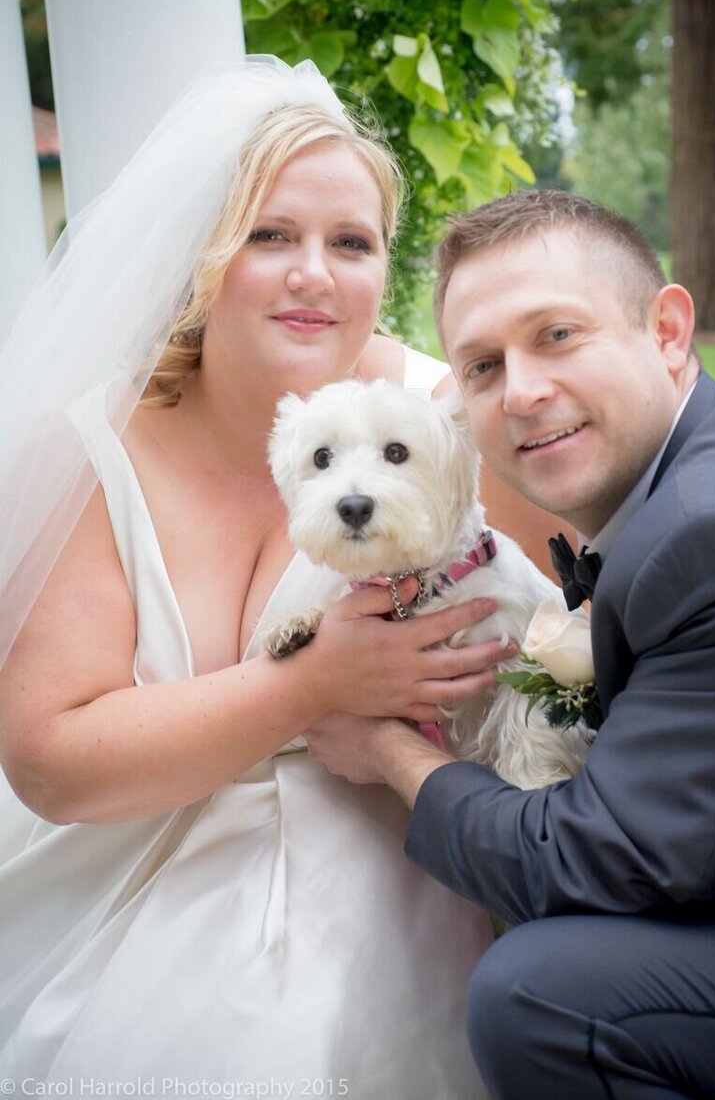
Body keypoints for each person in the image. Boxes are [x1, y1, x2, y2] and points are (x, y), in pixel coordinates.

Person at [0, 56, 536, 1095]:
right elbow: (52, 760)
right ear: (204, 254)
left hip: (386, 864)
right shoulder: (92, 447)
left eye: (351, 242)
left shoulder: (439, 423)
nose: (314, 275)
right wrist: (308, 685)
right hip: (128, 870)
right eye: (270, 236)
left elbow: (551, 624)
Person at [306, 190, 715, 1099]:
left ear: (668, 329)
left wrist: (387, 751)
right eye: (484, 366)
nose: (524, 391)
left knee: (536, 991)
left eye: (558, 335)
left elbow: (590, 866)